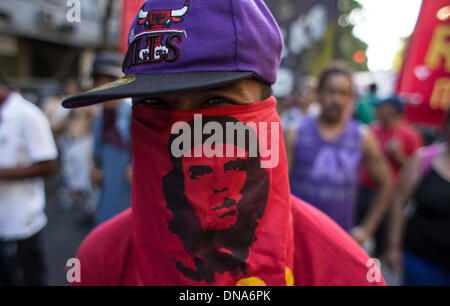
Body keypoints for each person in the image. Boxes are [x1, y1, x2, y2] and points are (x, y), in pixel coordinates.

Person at [63, 0, 385, 286]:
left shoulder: (344, 272)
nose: (183, 136)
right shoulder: (100, 260)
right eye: (155, 103)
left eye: (215, 100)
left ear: (267, 107)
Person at [285, 66, 393, 244]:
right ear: (318, 94)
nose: (336, 99)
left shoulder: (362, 137)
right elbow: (277, 186)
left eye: (343, 93)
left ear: (351, 98)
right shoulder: (295, 132)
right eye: (331, 91)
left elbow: (387, 183)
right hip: (296, 236)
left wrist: (367, 229)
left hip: (339, 241)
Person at [0, 70, 58, 285]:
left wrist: (3, 173)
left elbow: (49, 165)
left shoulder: (27, 114)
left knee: (30, 277)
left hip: (23, 219)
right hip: (3, 218)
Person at [387, 109, 450, 286]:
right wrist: (393, 246)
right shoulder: (423, 159)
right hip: (420, 262)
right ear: (446, 125)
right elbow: (399, 201)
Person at [357, 96, 423, 257]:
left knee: (380, 235)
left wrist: (399, 156)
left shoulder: (409, 135)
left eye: (381, 107)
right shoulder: (370, 131)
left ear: (392, 111)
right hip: (364, 191)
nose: (377, 110)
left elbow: (417, 171)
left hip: (390, 197)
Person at [90, 51, 132, 225]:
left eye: (110, 80)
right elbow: (96, 158)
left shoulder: (136, 114)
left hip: (131, 199)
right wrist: (95, 170)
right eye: (99, 81)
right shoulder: (100, 120)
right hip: (107, 199)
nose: (104, 86)